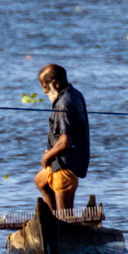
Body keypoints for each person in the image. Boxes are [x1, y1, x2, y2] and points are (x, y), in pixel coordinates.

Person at [34, 63, 90, 216]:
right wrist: (51, 153)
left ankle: (61, 228)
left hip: (65, 165)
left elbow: (65, 141)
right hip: (59, 162)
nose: (44, 92)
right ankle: (52, 219)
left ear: (56, 84)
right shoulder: (74, 94)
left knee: (65, 216)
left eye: (45, 87)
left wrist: (47, 156)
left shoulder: (64, 104)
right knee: (40, 181)